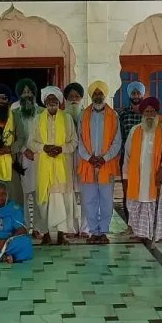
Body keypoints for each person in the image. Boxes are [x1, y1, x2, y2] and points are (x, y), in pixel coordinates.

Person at [123, 97, 162, 243]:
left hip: (156, 177)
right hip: (137, 177)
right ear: (143, 113)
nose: (149, 114)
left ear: (156, 113)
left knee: (156, 203)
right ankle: (140, 233)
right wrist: (125, 176)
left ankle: (159, 234)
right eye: (147, 111)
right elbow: (127, 155)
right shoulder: (135, 130)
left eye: (152, 111)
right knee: (137, 203)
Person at [29, 86, 78, 245]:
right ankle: (46, 234)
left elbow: (74, 142)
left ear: (59, 101)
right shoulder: (37, 119)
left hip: (62, 167)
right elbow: (31, 142)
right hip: (44, 168)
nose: (52, 101)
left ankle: (62, 234)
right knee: (45, 202)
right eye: (49, 98)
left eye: (54, 98)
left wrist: (61, 149)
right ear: (44, 102)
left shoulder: (67, 118)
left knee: (63, 201)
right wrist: (44, 148)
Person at [78, 81, 122, 244]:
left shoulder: (113, 115)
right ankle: (93, 232)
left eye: (100, 93)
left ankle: (103, 232)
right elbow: (79, 139)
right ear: (91, 96)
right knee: (89, 201)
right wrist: (89, 157)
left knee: (106, 201)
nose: (98, 96)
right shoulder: (83, 115)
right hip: (88, 164)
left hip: (106, 164)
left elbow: (117, 141)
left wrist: (105, 158)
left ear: (104, 95)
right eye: (95, 93)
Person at [13, 78, 45, 238]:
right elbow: (12, 135)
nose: (27, 95)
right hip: (21, 158)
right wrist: (24, 150)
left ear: (34, 93)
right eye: (24, 92)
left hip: (39, 158)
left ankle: (39, 228)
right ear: (19, 95)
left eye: (29, 92)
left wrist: (36, 151)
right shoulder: (14, 114)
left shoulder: (42, 112)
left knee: (39, 195)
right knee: (23, 196)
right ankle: (23, 227)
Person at [118, 81, 145, 235]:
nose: (136, 96)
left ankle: (144, 225)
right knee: (128, 192)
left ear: (142, 94)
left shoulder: (147, 112)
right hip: (127, 158)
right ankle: (130, 225)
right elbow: (120, 137)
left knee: (144, 191)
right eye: (133, 93)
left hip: (145, 159)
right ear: (130, 95)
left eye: (138, 93)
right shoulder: (123, 114)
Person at [64, 82, 89, 238]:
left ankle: (86, 228)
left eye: (77, 96)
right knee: (69, 196)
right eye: (71, 97)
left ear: (81, 98)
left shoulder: (87, 115)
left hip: (84, 159)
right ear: (66, 99)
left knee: (86, 195)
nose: (74, 99)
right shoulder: (61, 116)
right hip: (66, 159)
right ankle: (71, 228)